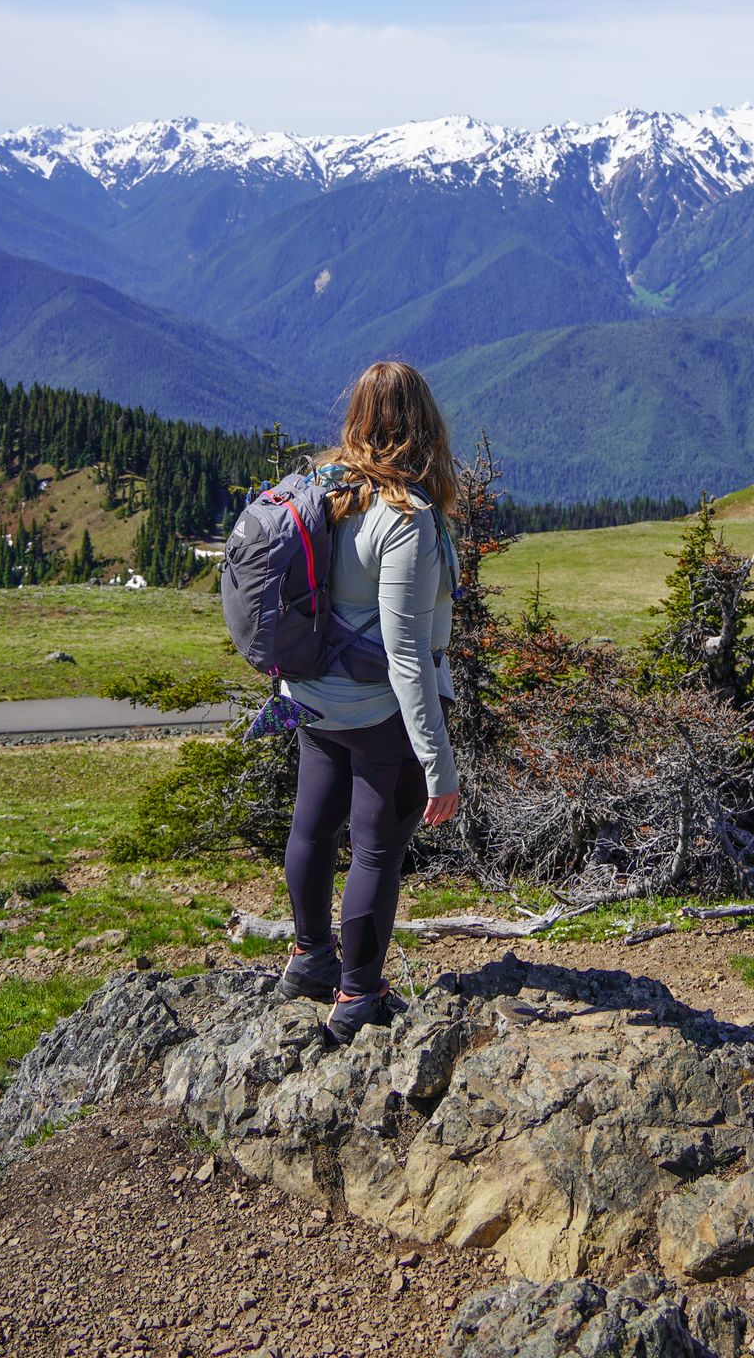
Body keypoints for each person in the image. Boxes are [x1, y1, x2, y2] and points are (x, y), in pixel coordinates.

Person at [277, 360, 461, 1043]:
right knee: (376, 850)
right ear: (424, 425)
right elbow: (406, 652)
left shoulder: (323, 487)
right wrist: (437, 764)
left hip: (309, 695)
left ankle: (308, 958)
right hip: (374, 708)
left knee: (312, 827)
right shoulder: (405, 517)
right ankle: (358, 994)